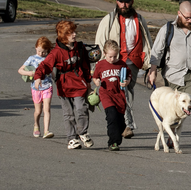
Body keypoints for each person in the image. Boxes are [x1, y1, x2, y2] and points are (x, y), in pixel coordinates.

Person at [147, 1, 191, 151]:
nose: (190, 20)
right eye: (187, 17)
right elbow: (156, 51)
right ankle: (172, 137)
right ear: (179, 14)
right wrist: (153, 70)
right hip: (173, 75)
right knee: (175, 108)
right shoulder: (168, 29)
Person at [94, 0, 153, 139]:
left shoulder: (139, 19)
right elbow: (100, 43)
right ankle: (126, 124)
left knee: (128, 90)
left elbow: (147, 41)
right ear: (117, 2)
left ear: (132, 2)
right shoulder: (109, 20)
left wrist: (150, 64)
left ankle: (126, 124)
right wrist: (100, 65)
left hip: (132, 61)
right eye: (121, 2)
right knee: (120, 91)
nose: (124, 5)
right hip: (114, 61)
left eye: (127, 2)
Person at [34, 20, 93, 150]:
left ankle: (82, 132)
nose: (74, 34)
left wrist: (88, 81)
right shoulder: (56, 52)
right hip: (64, 85)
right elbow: (45, 66)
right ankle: (72, 139)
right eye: (71, 32)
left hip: (79, 83)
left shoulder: (80, 48)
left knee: (81, 108)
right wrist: (38, 77)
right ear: (63, 35)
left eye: (74, 31)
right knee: (69, 114)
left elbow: (85, 65)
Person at [92, 40, 132, 151]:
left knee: (119, 120)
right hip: (106, 94)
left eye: (115, 56)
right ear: (104, 53)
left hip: (119, 95)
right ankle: (113, 142)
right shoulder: (100, 65)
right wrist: (96, 82)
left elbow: (128, 75)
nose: (112, 59)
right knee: (112, 116)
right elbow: (95, 77)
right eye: (110, 56)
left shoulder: (121, 64)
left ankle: (119, 134)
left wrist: (127, 81)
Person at [18, 37, 55, 139]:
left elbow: (52, 72)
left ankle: (46, 130)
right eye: (39, 51)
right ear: (35, 48)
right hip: (36, 88)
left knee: (46, 109)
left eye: (43, 52)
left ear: (47, 50)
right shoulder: (32, 58)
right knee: (38, 111)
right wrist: (30, 73)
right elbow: (20, 70)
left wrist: (57, 80)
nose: (41, 54)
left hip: (47, 86)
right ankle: (36, 124)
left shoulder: (49, 59)